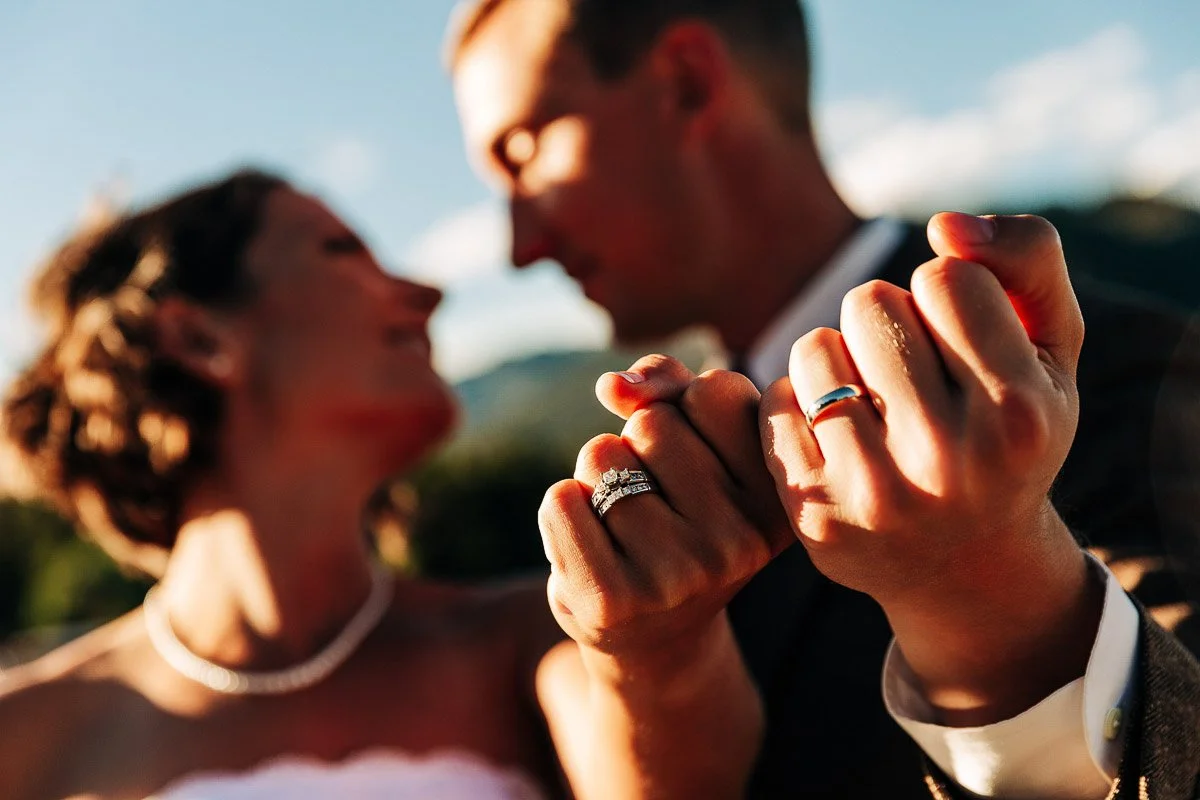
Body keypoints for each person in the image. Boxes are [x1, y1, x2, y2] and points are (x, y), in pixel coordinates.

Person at [446, 0, 1200, 795]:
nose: (520, 246)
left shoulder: (1113, 361)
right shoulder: (651, 481)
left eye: (523, 152)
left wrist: (989, 589)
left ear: (685, 84)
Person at [0, 169, 787, 799]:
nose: (429, 294)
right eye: (343, 249)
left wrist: (661, 644)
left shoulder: (534, 644)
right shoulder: (25, 730)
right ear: (200, 338)